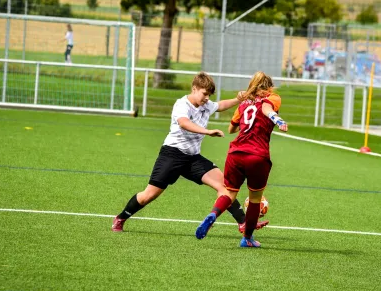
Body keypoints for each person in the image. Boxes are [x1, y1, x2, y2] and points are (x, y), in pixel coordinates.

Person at [111, 72, 269, 234]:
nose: (207, 98)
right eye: (204, 94)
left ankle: (243, 223)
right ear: (194, 89)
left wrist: (238, 99)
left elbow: (220, 105)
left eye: (209, 95)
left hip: (193, 158)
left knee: (224, 186)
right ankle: (121, 218)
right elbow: (184, 123)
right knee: (148, 195)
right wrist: (207, 132)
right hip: (171, 155)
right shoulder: (182, 104)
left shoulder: (206, 104)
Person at [195, 71, 288, 248]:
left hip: (235, 153)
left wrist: (246, 123)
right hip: (257, 155)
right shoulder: (273, 97)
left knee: (229, 193)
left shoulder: (244, 103)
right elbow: (267, 109)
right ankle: (247, 238)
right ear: (269, 86)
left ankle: (213, 214)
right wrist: (277, 120)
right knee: (255, 199)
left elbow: (231, 129)